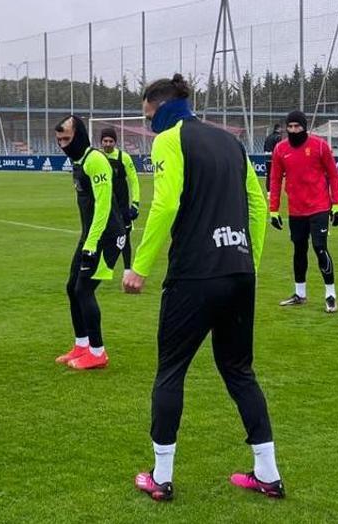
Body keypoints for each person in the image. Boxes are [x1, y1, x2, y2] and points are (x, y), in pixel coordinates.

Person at [125, 74, 283, 502]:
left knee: (171, 370)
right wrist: (249, 260)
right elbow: (256, 202)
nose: (148, 123)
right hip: (238, 271)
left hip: (195, 274)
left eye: (146, 114)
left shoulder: (170, 139)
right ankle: (267, 473)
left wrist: (139, 266)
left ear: (156, 106)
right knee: (239, 371)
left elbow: (166, 202)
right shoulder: (230, 141)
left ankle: (161, 477)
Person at [52, 115, 124, 370]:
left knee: (84, 289)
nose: (62, 145)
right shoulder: (78, 161)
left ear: (79, 135)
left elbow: (103, 207)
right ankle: (81, 345)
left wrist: (91, 245)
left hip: (107, 236)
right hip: (91, 234)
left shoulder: (95, 161)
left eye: (67, 139)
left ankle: (98, 352)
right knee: (72, 287)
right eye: (59, 140)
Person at [268, 111, 338, 313]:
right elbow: (275, 180)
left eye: (297, 127)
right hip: (296, 210)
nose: (293, 130)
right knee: (298, 250)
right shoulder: (279, 149)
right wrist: (273, 210)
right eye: (290, 127)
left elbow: (334, 176)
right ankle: (299, 294)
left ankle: (331, 295)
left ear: (305, 127)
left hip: (319, 207)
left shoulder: (319, 146)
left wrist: (336, 205)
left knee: (320, 248)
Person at [99, 127, 140, 274]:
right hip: (104, 205)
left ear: (115, 142)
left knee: (125, 237)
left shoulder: (124, 157)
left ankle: (127, 269)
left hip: (122, 206)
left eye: (111, 141)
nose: (108, 144)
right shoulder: (97, 158)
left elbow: (134, 180)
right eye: (105, 141)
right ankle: (102, 268)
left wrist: (135, 203)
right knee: (102, 236)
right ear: (101, 141)